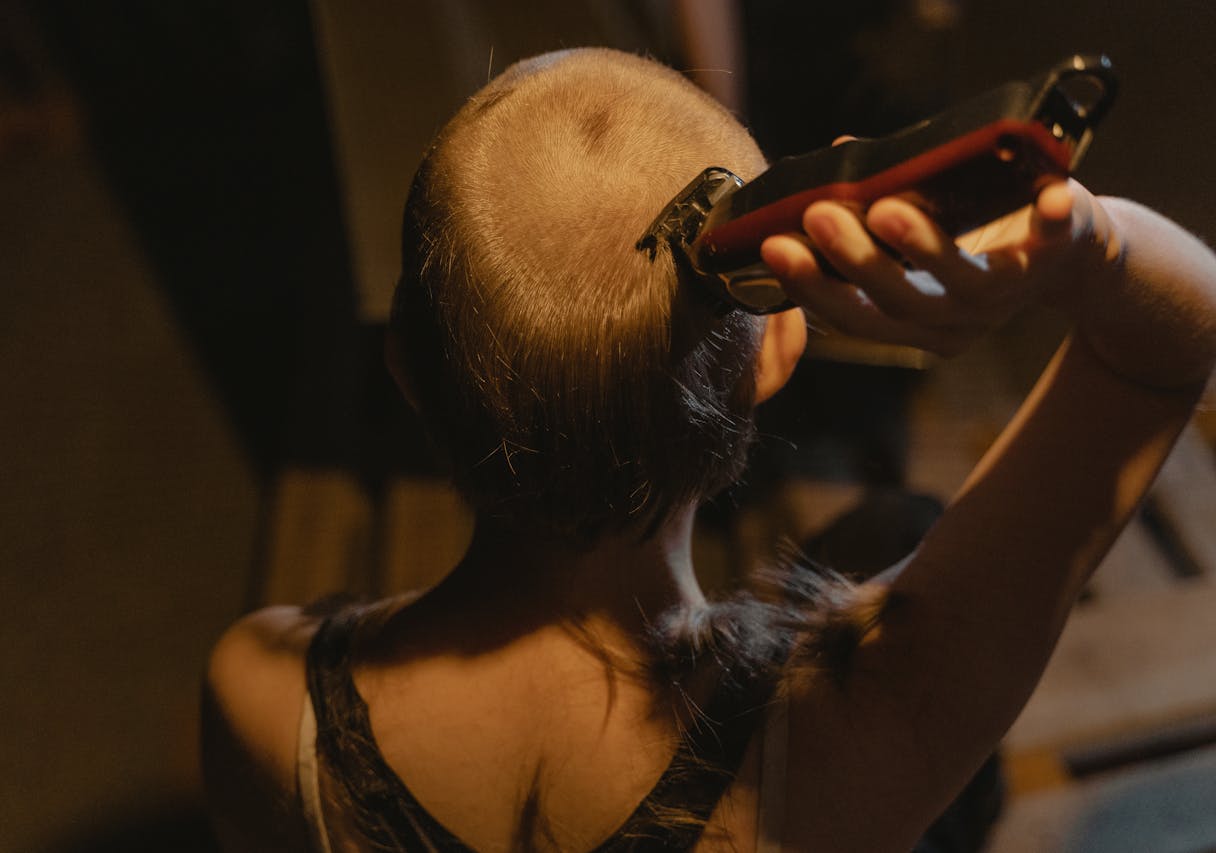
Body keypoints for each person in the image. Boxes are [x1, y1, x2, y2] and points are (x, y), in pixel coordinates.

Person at [200, 48, 1216, 852]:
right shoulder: (872, 727)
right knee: (901, 528)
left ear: (407, 370)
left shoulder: (261, 696)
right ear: (775, 348)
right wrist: (1087, 241)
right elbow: (1167, 350)